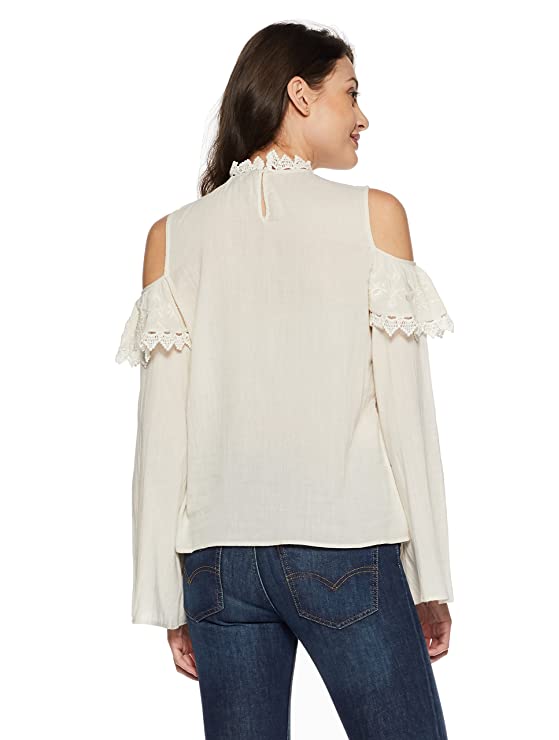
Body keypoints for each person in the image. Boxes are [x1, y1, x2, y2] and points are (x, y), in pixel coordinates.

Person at [116, 21, 455, 740]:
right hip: (344, 548)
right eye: (351, 93)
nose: (363, 116)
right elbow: (407, 417)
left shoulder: (172, 236)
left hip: (216, 564)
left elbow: (160, 436)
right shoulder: (374, 218)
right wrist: (428, 579)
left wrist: (167, 597)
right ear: (299, 95)